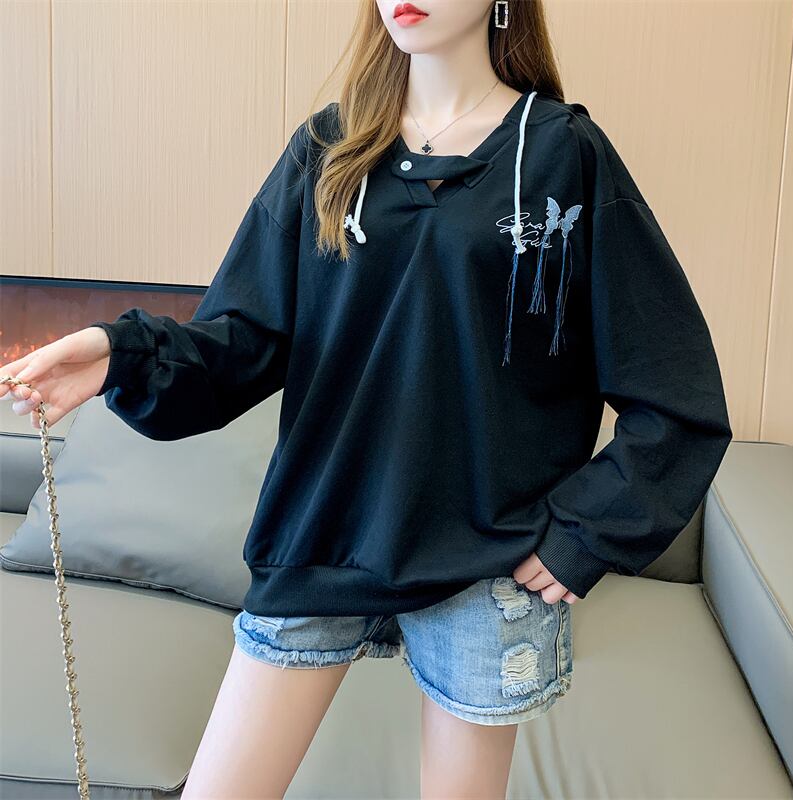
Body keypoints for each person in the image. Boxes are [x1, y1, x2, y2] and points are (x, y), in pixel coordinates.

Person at [0, 0, 733, 796]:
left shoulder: (562, 156)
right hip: (321, 533)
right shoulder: (328, 149)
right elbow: (244, 340)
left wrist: (583, 535)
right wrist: (121, 354)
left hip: (487, 565)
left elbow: (675, 385)